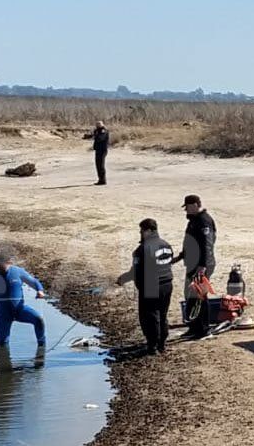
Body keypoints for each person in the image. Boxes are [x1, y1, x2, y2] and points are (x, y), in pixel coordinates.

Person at [117, 218, 175, 354]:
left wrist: (122, 279)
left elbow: (136, 271)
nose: (140, 234)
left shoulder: (142, 249)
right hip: (167, 283)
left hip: (150, 285)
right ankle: (162, 344)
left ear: (148, 230)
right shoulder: (166, 245)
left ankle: (152, 346)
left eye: (141, 231)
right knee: (162, 315)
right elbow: (169, 262)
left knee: (150, 317)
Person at [172, 194, 217, 339]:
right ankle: (194, 327)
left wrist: (203, 265)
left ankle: (203, 329)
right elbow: (191, 242)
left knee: (199, 296)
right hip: (193, 263)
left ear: (196, 205)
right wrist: (180, 256)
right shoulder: (194, 221)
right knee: (190, 295)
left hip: (201, 264)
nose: (186, 211)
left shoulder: (204, 221)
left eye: (188, 207)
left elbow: (207, 244)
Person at [90, 121, 110, 186]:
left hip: (103, 150)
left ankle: (103, 180)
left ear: (102, 124)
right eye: (97, 124)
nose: (97, 125)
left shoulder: (104, 131)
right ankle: (100, 179)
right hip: (98, 150)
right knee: (98, 165)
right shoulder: (96, 131)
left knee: (101, 165)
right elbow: (93, 136)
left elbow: (100, 138)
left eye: (99, 124)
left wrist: (95, 136)